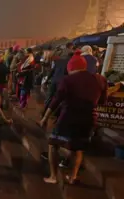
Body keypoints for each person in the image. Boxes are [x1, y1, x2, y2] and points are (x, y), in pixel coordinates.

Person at [39, 51, 107, 184]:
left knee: (53, 144)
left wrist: (44, 119)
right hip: (89, 119)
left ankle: (53, 176)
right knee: (78, 148)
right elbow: (102, 101)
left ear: (71, 68)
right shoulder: (100, 79)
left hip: (68, 117)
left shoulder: (67, 80)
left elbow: (56, 100)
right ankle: (73, 176)